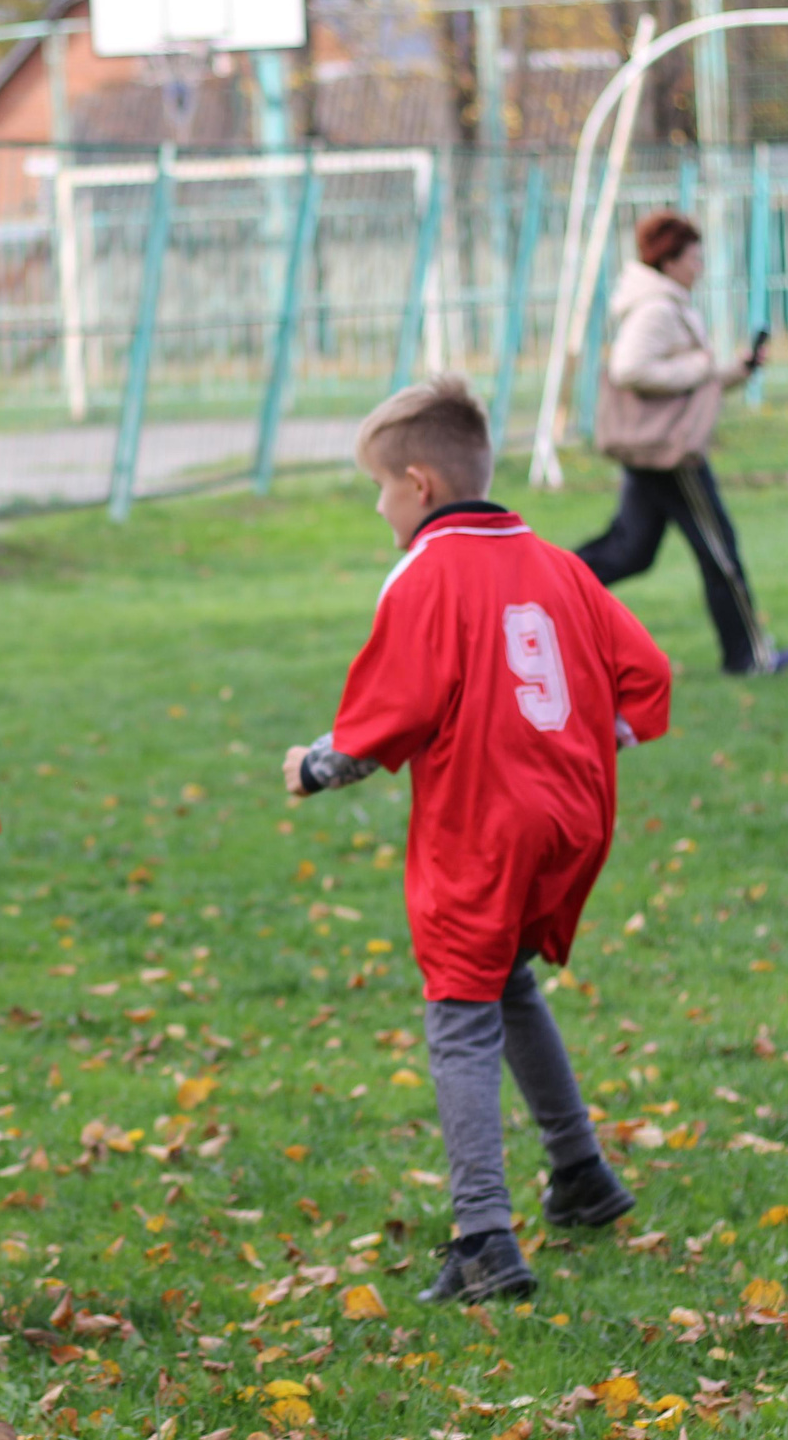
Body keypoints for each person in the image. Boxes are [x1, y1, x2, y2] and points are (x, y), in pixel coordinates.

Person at [284, 377, 671, 1305]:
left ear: (418, 485)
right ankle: (580, 1170)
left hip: (484, 824)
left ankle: (484, 1233)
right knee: (507, 979)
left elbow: (389, 719)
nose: (379, 508)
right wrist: (595, 735)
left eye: (379, 489)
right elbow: (645, 675)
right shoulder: (558, 563)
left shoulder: (427, 571)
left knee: (460, 1008)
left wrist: (313, 765)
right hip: (573, 812)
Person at [577, 211, 788, 677]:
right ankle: (749, 656)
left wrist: (737, 369)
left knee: (630, 551)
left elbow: (689, 377)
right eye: (694, 257)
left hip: (656, 451)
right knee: (720, 552)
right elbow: (629, 370)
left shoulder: (667, 303)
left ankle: (547, 590)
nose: (700, 266)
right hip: (672, 453)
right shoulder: (657, 309)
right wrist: (700, 368)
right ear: (670, 260)